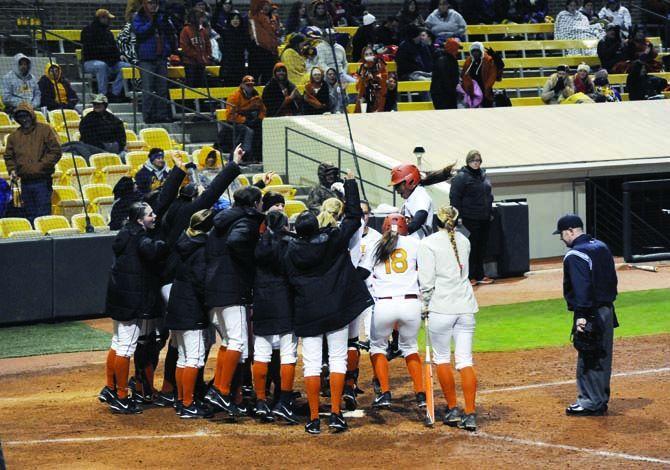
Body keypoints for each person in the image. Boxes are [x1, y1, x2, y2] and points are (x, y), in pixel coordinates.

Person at [285, 172, 373, 434]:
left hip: (308, 312)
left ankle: (313, 418)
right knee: (337, 361)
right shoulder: (333, 241)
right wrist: (351, 184)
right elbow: (354, 218)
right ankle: (335, 413)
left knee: (311, 364)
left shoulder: (289, 250)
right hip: (336, 310)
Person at [100, 202, 168, 414]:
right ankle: (121, 396)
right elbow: (153, 252)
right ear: (139, 220)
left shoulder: (124, 233)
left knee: (117, 343)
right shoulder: (140, 238)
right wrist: (166, 242)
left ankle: (110, 388)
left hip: (119, 298)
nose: (154, 216)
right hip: (132, 301)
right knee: (126, 348)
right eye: (150, 215)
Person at [204, 186, 265, 417]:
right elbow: (237, 242)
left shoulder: (223, 220)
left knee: (229, 341)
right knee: (238, 342)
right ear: (254, 203)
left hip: (216, 284)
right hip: (233, 287)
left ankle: (220, 389)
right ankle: (221, 388)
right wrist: (250, 262)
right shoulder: (244, 222)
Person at [418, 205, 479, 431]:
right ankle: (470, 413)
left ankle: (453, 409)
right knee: (465, 360)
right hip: (465, 307)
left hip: (441, 308)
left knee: (442, 359)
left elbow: (426, 281)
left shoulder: (427, 244)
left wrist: (424, 305)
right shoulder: (464, 240)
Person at [554, 214, 618, 416]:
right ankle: (599, 400)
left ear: (570, 231)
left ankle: (589, 402)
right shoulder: (601, 246)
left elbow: (582, 288)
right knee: (602, 356)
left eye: (562, 235)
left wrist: (582, 316)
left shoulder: (575, 255)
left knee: (588, 355)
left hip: (590, 312)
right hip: (607, 309)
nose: (562, 239)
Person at [367, 213, 426, 410]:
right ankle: (421, 394)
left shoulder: (376, 245)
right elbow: (424, 272)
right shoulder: (415, 243)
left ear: (384, 227)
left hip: (384, 304)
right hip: (411, 303)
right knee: (410, 348)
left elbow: (367, 275)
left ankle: (384, 392)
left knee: (377, 347)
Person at [164, 209, 215, 419]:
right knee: (192, 358)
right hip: (191, 308)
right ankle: (188, 403)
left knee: (183, 358)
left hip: (176, 305)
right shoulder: (202, 249)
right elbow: (202, 282)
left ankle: (181, 399)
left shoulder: (184, 241)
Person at [251, 210, 299, 423]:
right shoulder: (289, 244)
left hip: (261, 300)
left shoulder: (258, 244)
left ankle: (261, 400)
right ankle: (284, 401)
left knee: (261, 353)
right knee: (288, 354)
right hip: (284, 301)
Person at [2, 103, 62, 223]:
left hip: (42, 180)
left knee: (43, 214)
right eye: (21, 117)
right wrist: (12, 170)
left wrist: (40, 166)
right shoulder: (13, 137)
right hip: (25, 182)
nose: (24, 119)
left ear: (32, 116)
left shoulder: (45, 130)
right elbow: (9, 156)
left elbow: (55, 151)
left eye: (26, 116)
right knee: (29, 214)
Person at [449, 150, 494, 286]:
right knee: (469, 248)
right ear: (468, 162)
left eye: (478, 161)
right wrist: (457, 218)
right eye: (474, 161)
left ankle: (480, 274)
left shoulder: (483, 175)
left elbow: (489, 194)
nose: (476, 163)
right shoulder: (461, 177)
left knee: (481, 247)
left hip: (484, 218)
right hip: (469, 219)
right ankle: (469, 276)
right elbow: (455, 198)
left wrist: (489, 212)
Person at [133, 0, 173, 123]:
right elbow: (140, 31)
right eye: (150, 3)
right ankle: (148, 115)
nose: (153, 5)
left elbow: (169, 33)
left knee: (162, 88)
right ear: (145, 4)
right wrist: (152, 22)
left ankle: (162, 114)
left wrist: (167, 49)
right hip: (146, 58)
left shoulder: (162, 16)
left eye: (155, 3)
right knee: (148, 89)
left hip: (160, 57)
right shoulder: (138, 17)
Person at [82, 9, 131, 102]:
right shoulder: (87, 31)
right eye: (107, 18)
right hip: (90, 62)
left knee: (126, 67)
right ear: (100, 18)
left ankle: (114, 93)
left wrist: (118, 55)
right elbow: (91, 50)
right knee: (101, 66)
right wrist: (108, 54)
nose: (109, 21)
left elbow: (114, 49)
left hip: (109, 62)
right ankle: (102, 95)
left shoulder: (108, 33)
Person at [224, 75, 267, 161]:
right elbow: (230, 115)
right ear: (242, 85)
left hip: (253, 121)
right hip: (237, 123)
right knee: (247, 131)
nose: (250, 87)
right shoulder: (234, 96)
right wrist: (245, 120)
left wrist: (259, 119)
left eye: (251, 85)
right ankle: (244, 156)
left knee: (262, 129)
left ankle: (258, 157)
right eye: (248, 85)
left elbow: (263, 110)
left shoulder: (257, 97)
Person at [249, 0, 280, 84]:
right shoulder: (256, 15)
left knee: (269, 78)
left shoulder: (273, 19)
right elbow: (254, 5)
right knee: (255, 78)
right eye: (263, 5)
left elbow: (275, 36)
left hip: (271, 53)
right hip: (259, 51)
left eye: (268, 5)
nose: (266, 7)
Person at [180, 9, 212, 88]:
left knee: (202, 86)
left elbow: (208, 45)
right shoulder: (186, 30)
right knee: (190, 86)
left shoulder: (203, 31)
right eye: (200, 17)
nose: (202, 20)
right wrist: (197, 56)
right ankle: (190, 101)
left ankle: (201, 100)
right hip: (190, 63)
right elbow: (185, 47)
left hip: (201, 63)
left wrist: (207, 56)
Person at [461, 42, 498, 108]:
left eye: (477, 51)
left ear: (481, 51)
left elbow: (493, 75)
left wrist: (487, 87)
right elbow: (464, 74)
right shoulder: (468, 61)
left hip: (485, 89)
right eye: (473, 51)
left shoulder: (488, 60)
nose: (475, 53)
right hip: (473, 90)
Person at [219, 12, 250, 86]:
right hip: (228, 65)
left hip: (239, 65)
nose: (235, 21)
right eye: (233, 19)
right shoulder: (225, 32)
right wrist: (219, 6)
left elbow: (249, 47)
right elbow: (213, 23)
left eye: (237, 19)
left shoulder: (244, 33)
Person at [354, 47, 387, 113]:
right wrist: (364, 78)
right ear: (363, 56)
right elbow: (357, 87)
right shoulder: (361, 67)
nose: (369, 56)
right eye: (366, 54)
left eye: (370, 53)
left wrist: (375, 77)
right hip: (365, 94)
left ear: (374, 55)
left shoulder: (380, 63)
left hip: (379, 93)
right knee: (360, 99)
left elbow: (384, 78)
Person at [431, 38, 460, 110]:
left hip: (446, 92)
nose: (458, 51)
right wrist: (452, 89)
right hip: (442, 94)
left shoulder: (449, 59)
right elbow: (445, 78)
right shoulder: (443, 60)